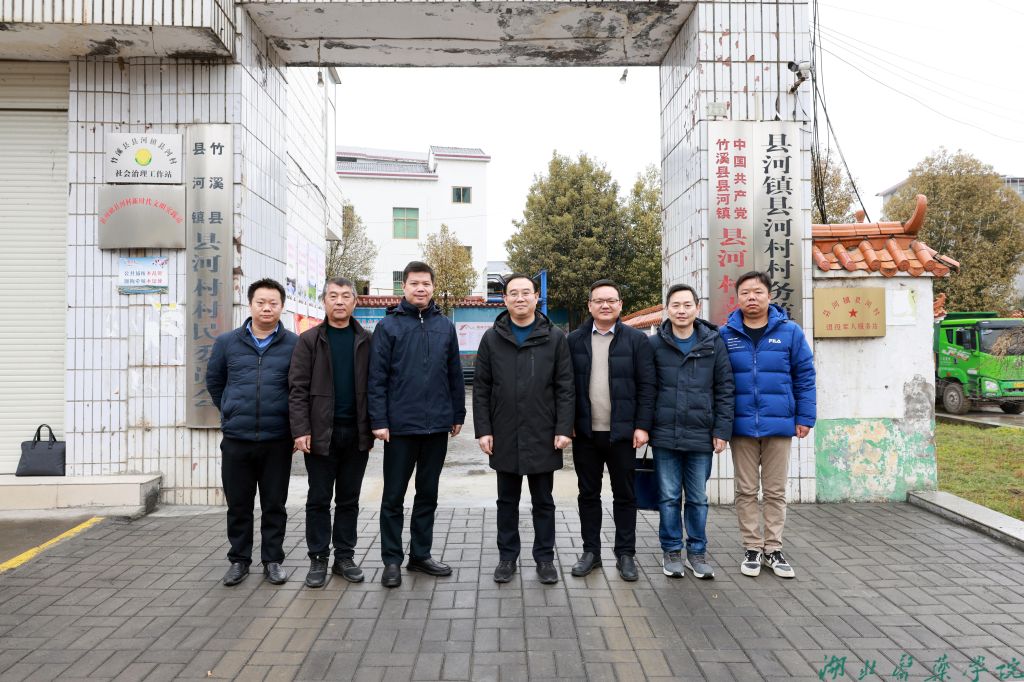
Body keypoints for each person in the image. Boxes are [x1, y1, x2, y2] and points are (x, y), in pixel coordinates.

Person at [369, 261, 466, 588]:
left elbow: (454, 373)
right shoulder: (388, 327)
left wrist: (457, 414)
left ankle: (420, 555)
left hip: (437, 426)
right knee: (393, 497)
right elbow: (377, 378)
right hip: (399, 428)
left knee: (427, 494)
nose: (420, 288)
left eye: (426, 283)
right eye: (414, 283)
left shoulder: (444, 326)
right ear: (404, 287)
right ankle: (391, 560)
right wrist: (379, 420)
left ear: (433, 287)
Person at [473, 273, 574, 585]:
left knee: (543, 501)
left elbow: (565, 387)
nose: (520, 298)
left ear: (536, 297)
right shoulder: (492, 338)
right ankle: (507, 557)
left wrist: (563, 428)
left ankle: (544, 559)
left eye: (526, 292)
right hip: (504, 432)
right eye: (513, 293)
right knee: (507, 501)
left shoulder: (554, 337)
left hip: (543, 432)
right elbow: (481, 388)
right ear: (504, 299)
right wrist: (483, 429)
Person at [719, 271, 816, 579]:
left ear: (769, 296)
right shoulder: (725, 335)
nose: (752, 297)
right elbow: (717, 382)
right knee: (745, 490)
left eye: (758, 292)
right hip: (741, 426)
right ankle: (752, 547)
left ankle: (773, 548)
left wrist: (805, 417)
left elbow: (805, 375)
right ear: (737, 298)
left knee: (775, 491)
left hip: (779, 424)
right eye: (745, 292)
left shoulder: (790, 332)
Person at [206, 278, 298, 586]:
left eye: (273, 303)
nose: (267, 308)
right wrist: (230, 410)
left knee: (274, 505)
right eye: (261, 302)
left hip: (277, 439)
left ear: (282, 306)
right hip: (237, 439)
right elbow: (215, 381)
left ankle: (272, 560)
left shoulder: (294, 344)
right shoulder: (227, 342)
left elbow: (299, 388)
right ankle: (239, 560)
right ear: (250, 305)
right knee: (239, 504)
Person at [566, 279, 656, 582]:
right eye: (599, 300)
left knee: (625, 495)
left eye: (611, 300)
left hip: (624, 434)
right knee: (588, 494)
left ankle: (625, 553)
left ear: (620, 305)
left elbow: (647, 387)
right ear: (590, 305)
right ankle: (590, 552)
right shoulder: (574, 340)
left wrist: (643, 426)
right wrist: (567, 424)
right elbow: (565, 387)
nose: (605, 305)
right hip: (585, 433)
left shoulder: (636, 340)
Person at [289, 277, 373, 588]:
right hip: (320, 434)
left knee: (349, 499)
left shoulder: (367, 340)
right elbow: (297, 389)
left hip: (356, 433)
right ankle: (318, 558)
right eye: (333, 296)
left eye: (346, 296)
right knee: (319, 498)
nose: (339, 301)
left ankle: (344, 557)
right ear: (324, 301)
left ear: (355, 302)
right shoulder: (309, 340)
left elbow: (377, 385)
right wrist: (301, 429)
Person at [649, 284, 734, 579]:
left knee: (698, 498)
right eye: (676, 305)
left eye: (687, 305)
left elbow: (725, 388)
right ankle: (672, 551)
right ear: (667, 309)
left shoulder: (714, 343)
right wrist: (644, 427)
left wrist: (722, 430)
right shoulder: (655, 344)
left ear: (698, 308)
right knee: (669, 497)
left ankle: (697, 552)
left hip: (701, 434)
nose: (681, 311)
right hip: (664, 433)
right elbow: (647, 389)